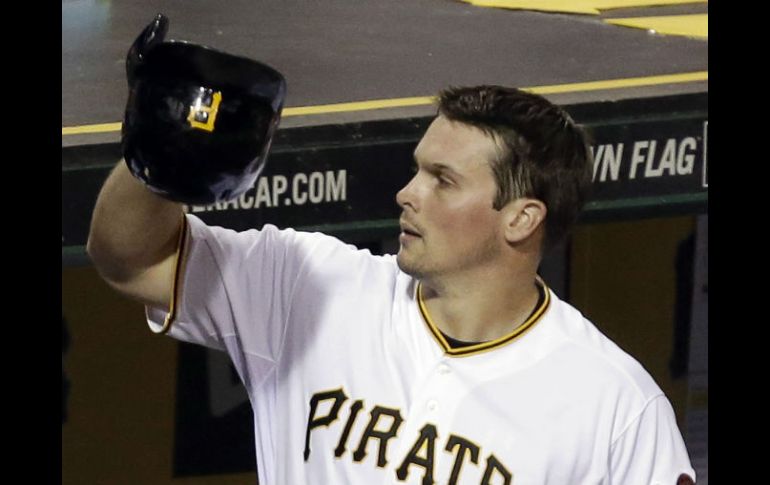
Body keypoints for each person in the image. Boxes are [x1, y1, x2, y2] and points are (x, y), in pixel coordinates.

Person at [87, 85, 696, 484]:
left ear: (521, 218)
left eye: (443, 180)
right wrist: (161, 156)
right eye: (416, 170)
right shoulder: (309, 286)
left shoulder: (614, 406)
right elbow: (129, 259)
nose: (407, 193)